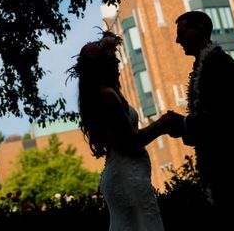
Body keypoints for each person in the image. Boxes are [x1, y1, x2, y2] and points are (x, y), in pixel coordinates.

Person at [163, 11, 234, 228]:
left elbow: (222, 121)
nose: (177, 39)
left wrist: (183, 124)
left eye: (182, 33)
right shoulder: (204, 67)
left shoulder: (220, 65)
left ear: (201, 29)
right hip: (222, 173)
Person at [69, 31, 173, 231]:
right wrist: (163, 123)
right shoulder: (106, 96)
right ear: (102, 67)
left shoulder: (105, 95)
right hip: (127, 178)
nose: (117, 63)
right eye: (112, 60)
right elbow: (130, 143)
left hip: (125, 175)